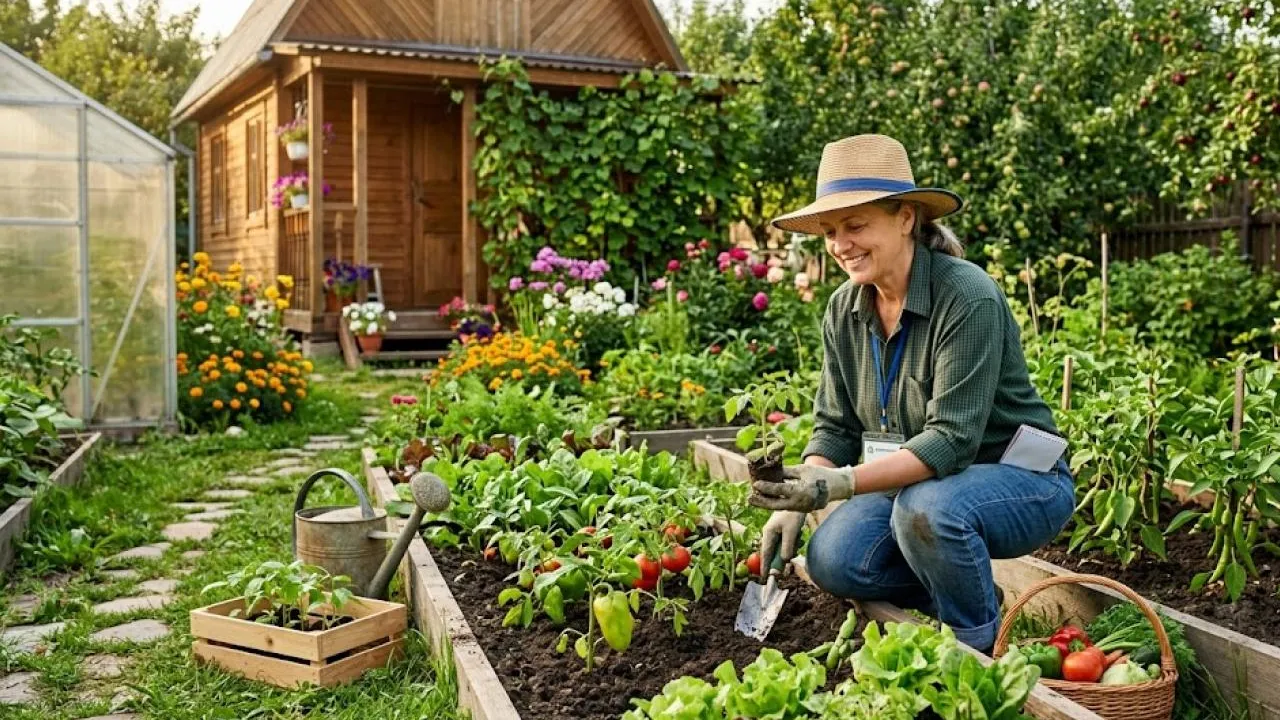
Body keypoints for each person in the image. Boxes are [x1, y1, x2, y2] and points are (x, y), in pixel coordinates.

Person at [752, 134, 1074, 654]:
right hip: (916, 485)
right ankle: (967, 594)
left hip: (1021, 478)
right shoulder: (844, 309)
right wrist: (800, 492)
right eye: (830, 232)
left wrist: (838, 484)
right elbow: (835, 426)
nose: (840, 245)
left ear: (905, 218)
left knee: (929, 510)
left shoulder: (965, 296)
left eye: (855, 225)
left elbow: (950, 442)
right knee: (834, 559)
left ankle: (976, 646)